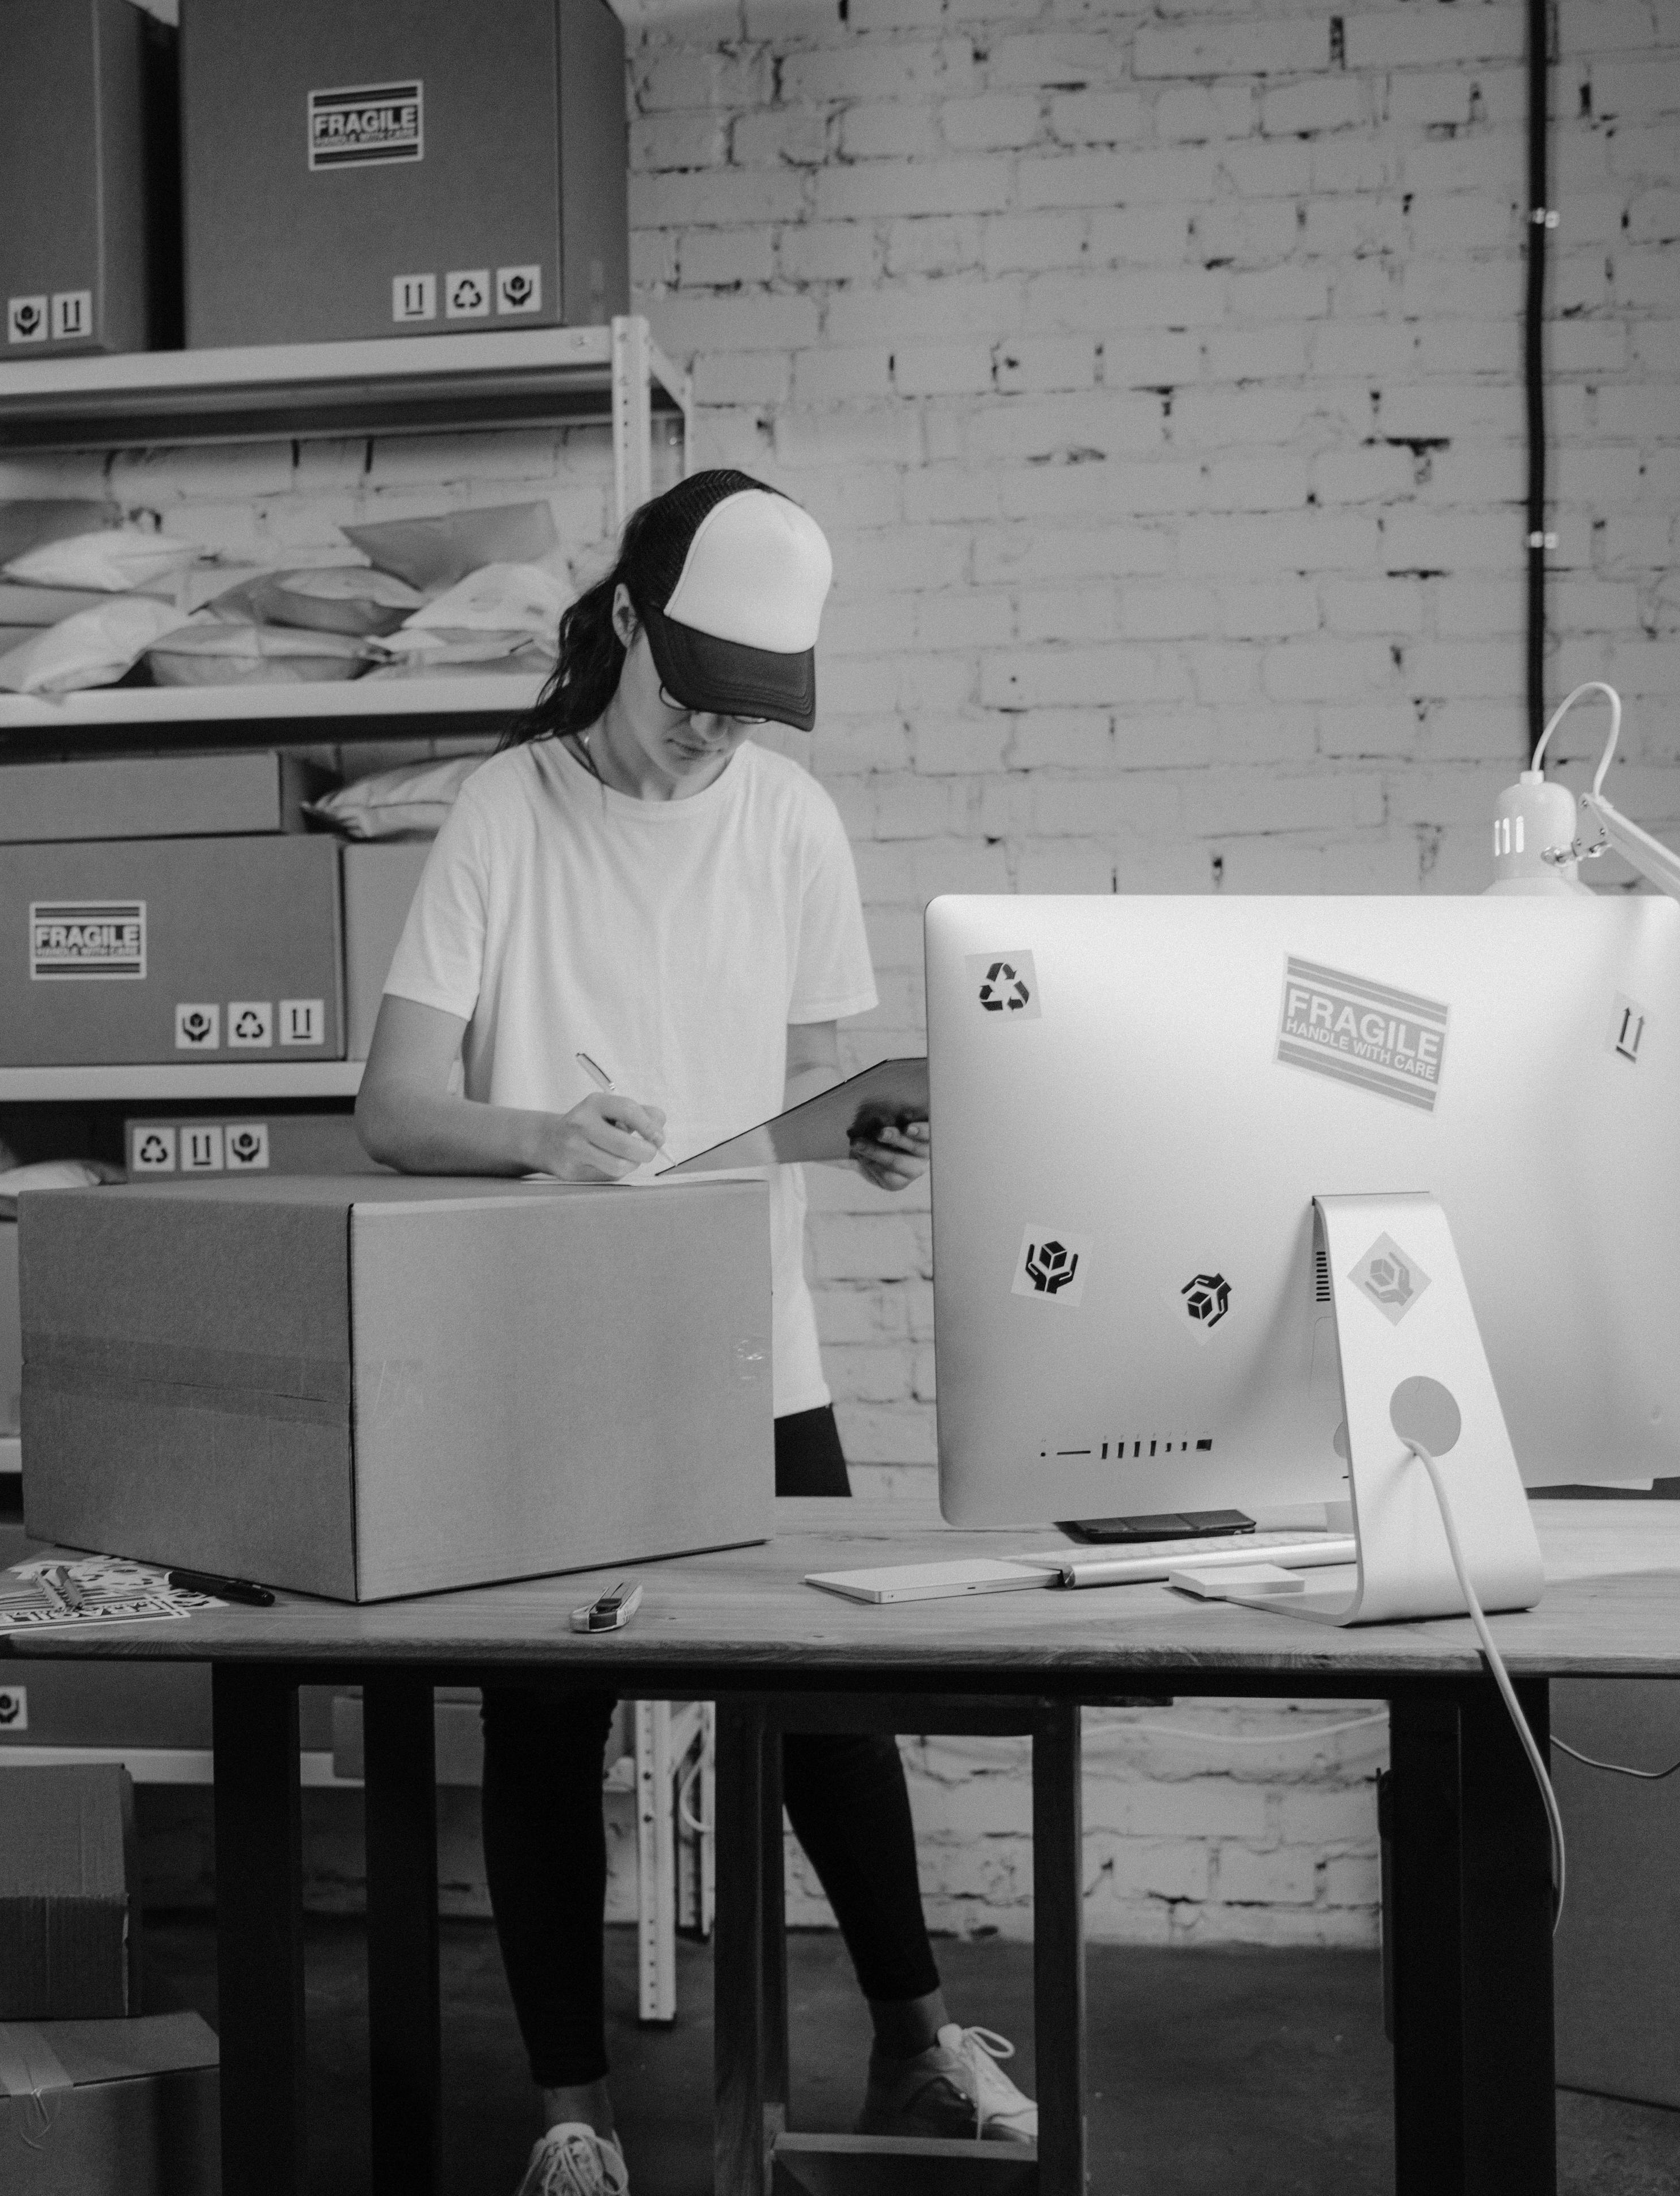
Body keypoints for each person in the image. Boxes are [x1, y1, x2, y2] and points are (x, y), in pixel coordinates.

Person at [356, 470, 1039, 2196]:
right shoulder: (509, 811)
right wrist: (538, 1137)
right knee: (541, 1724)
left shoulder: (790, 820)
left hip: (754, 1334)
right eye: (687, 704)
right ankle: (570, 2113)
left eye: (744, 723)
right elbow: (392, 1106)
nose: (706, 747)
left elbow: (822, 1082)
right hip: (547, 1333)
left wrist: (872, 1135)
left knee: (825, 1705)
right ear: (628, 629)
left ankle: (911, 2035)